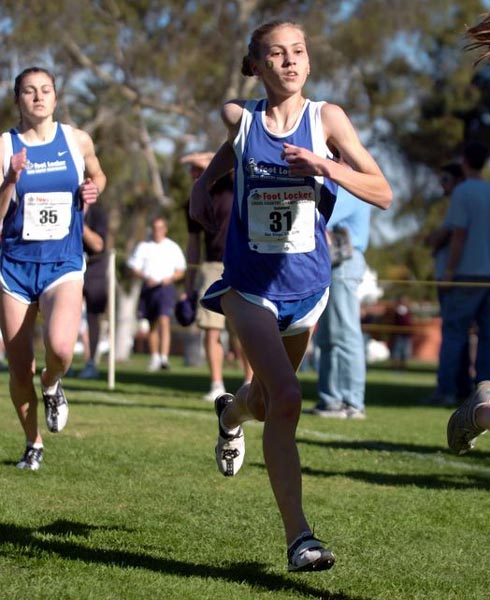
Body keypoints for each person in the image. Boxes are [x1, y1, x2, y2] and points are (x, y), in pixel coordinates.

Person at [190, 20, 392, 572]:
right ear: (256, 65)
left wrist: (325, 165)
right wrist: (202, 182)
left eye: (298, 51)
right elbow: (231, 151)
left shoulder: (327, 119)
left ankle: (230, 414)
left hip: (308, 288)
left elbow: (383, 191)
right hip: (249, 286)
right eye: (276, 54)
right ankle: (299, 538)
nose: (290, 62)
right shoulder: (242, 117)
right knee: (287, 401)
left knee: (260, 401)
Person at [0, 66, 106, 470]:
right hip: (14, 267)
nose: (38, 97)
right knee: (19, 366)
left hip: (63, 262)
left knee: (60, 349)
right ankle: (33, 443)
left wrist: (93, 189)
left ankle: (53, 383)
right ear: (18, 100)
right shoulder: (5, 146)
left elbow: (98, 176)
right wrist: (10, 179)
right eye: (29, 91)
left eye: (45, 90)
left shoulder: (76, 140)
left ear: (56, 98)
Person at [181, 153, 252, 401]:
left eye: (196, 170)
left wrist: (198, 161)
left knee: (243, 331)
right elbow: (193, 243)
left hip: (241, 262)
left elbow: (227, 155)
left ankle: (249, 383)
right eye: (191, 171)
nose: (192, 174)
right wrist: (190, 281)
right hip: (210, 266)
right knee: (210, 330)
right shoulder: (195, 199)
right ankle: (216, 384)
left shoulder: (231, 183)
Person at [304, 186, 371, 419]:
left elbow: (317, 214)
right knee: (329, 336)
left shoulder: (349, 188)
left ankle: (352, 402)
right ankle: (331, 400)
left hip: (344, 263)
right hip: (332, 263)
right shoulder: (341, 186)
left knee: (346, 333)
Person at [424, 163, 474, 405]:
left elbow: (450, 236)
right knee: (472, 337)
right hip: (475, 277)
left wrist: (449, 273)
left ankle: (447, 391)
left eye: (445, 178)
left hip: (457, 278)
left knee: (453, 334)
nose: (441, 184)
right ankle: (470, 390)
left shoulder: (462, 197)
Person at [127, 215, 186, 371]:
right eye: (155, 228)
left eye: (160, 228)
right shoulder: (143, 247)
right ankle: (155, 357)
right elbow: (134, 268)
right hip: (149, 288)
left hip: (165, 288)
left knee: (164, 320)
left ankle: (164, 358)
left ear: (165, 230)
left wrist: (170, 278)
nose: (157, 231)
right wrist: (145, 277)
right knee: (152, 323)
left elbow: (181, 271)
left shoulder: (172, 247)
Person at [77, 202, 109, 379]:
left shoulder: (98, 213)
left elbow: (98, 245)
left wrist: (78, 222)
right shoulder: (67, 205)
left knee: (93, 316)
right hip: (69, 264)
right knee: (66, 312)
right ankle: (61, 363)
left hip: (94, 267)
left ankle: (91, 363)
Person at [390, 294, 413, 370]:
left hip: (406, 334)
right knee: (397, 353)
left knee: (405, 353)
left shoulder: (407, 310)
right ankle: (396, 368)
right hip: (399, 334)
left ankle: (403, 368)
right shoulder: (398, 310)